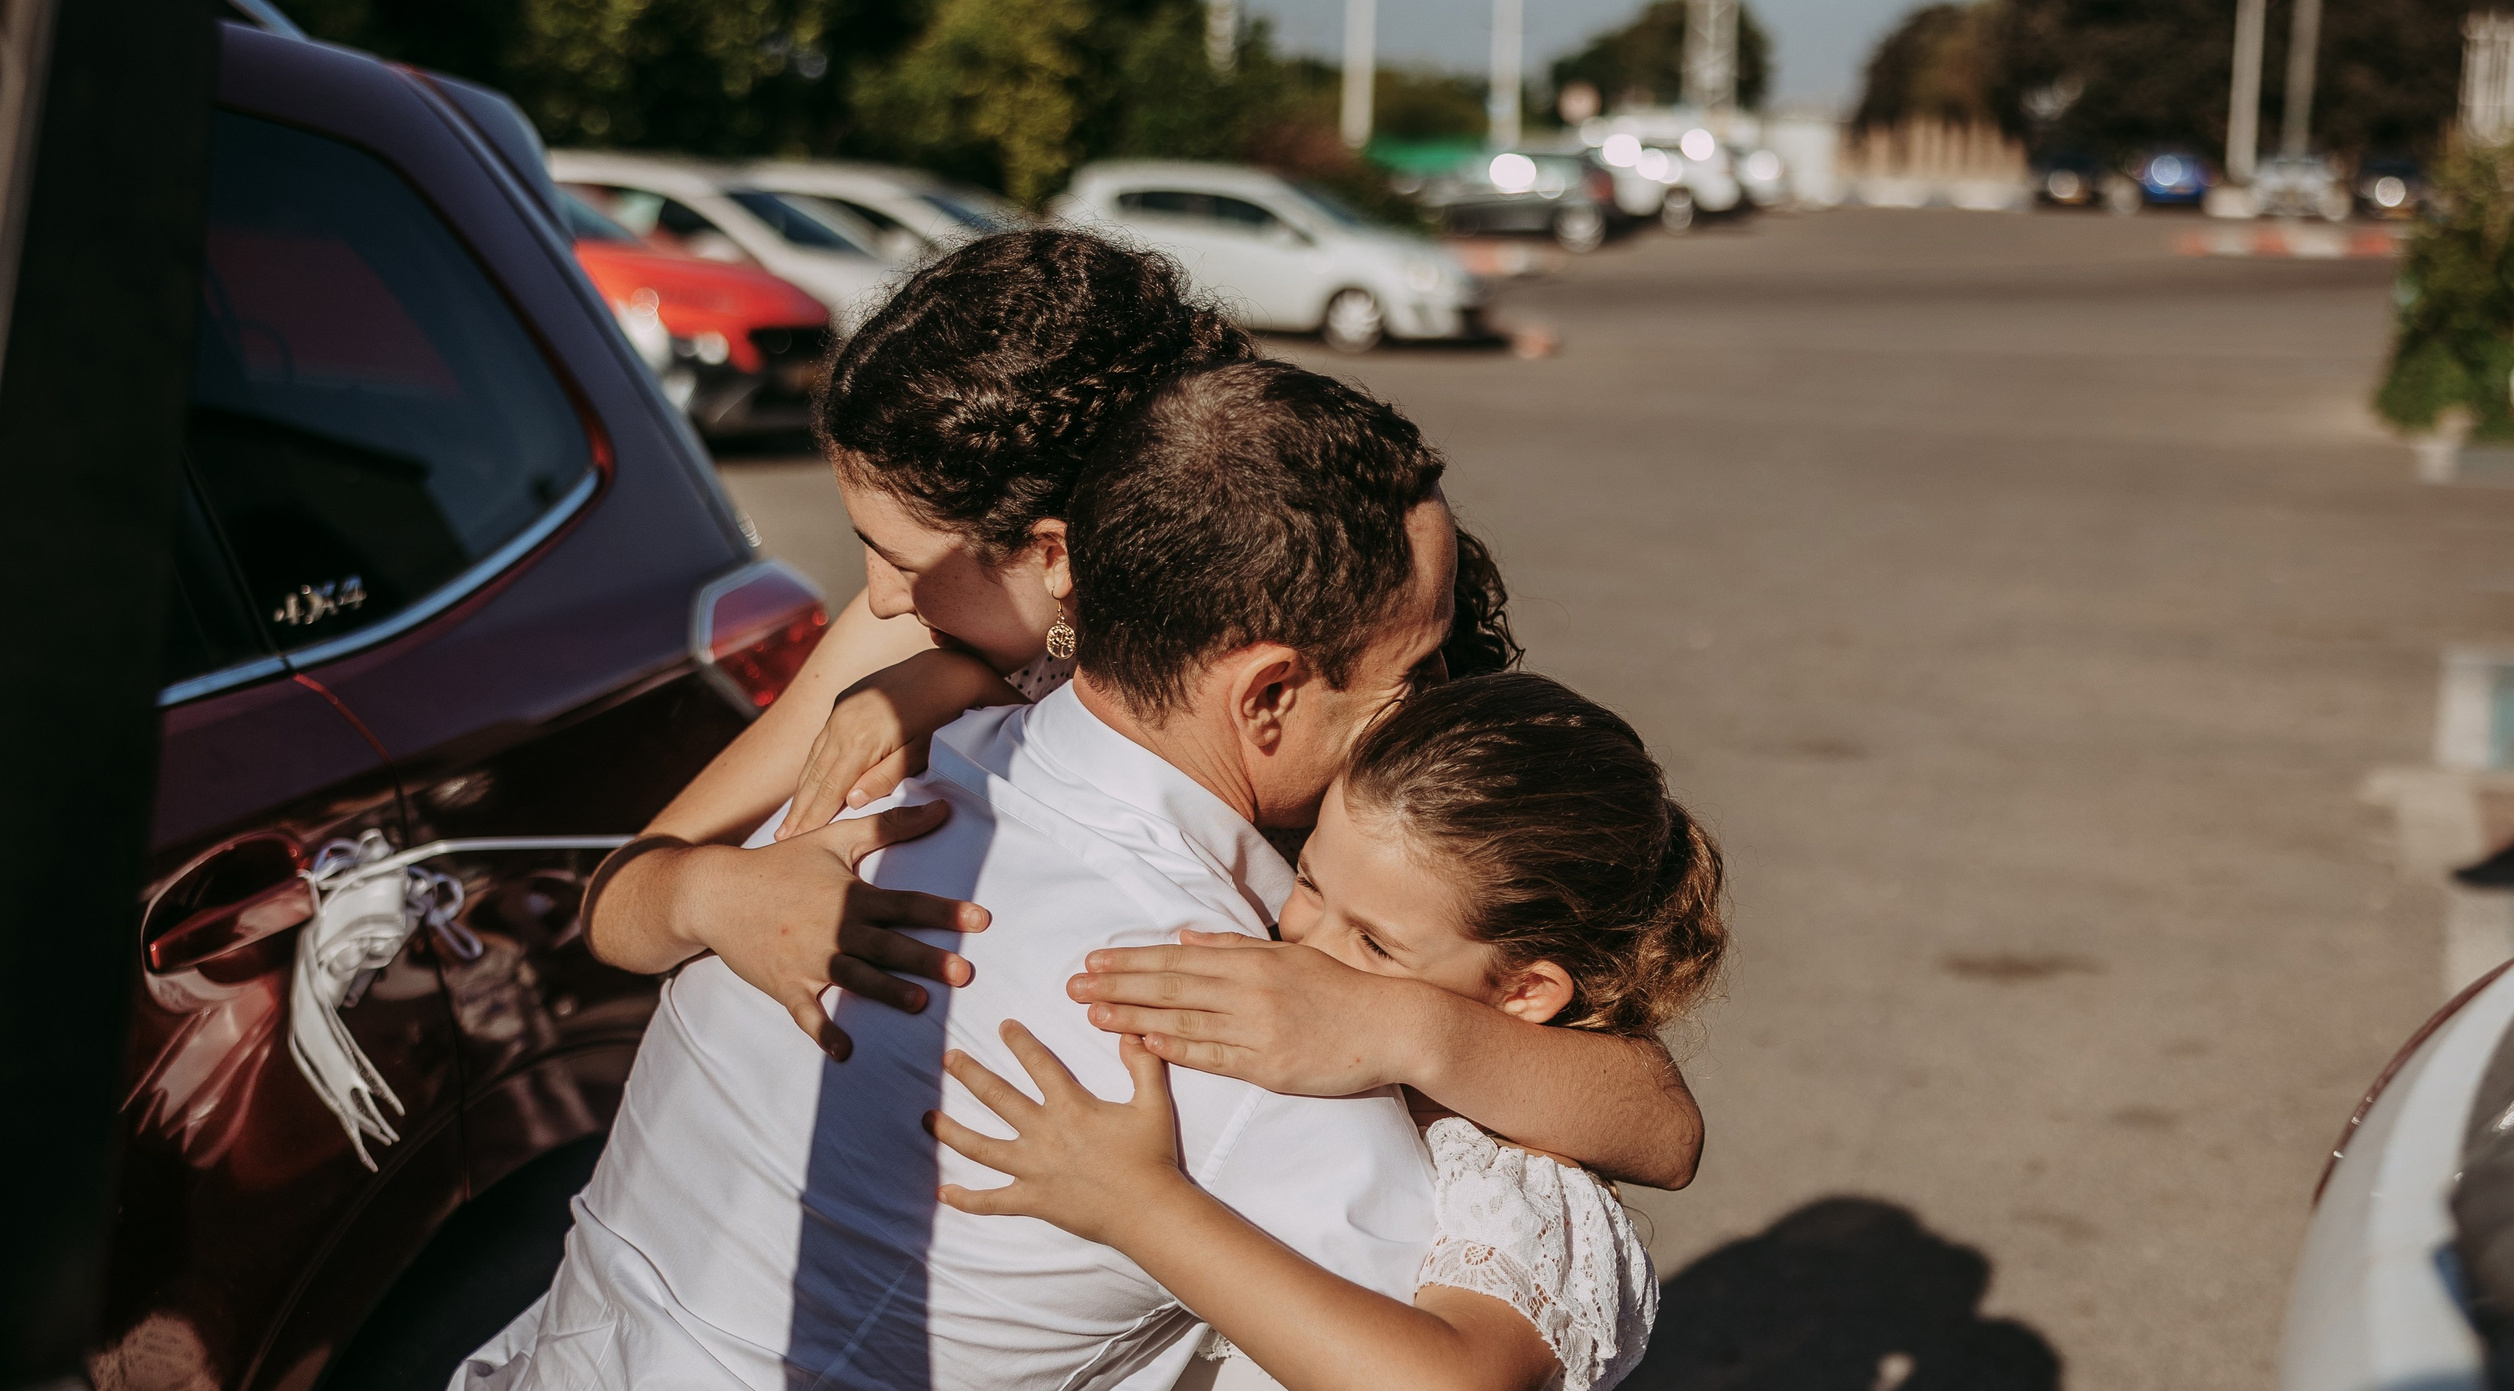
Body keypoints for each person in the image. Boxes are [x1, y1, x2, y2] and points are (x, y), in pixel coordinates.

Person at [379, 361, 1637, 1391]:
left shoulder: (839, 803)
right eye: (1411, 673)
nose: (1432, 710)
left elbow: (635, 898)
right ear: (1265, 694)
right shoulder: (1231, 1026)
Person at [582, 228, 1704, 1193]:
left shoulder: (1341, 695)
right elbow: (615, 901)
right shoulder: (913, 636)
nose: (876, 594)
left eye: (898, 554)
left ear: (1060, 558)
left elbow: (1652, 1116)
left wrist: (1400, 1025)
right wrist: (715, 892)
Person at [926, 671, 1726, 1391]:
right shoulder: (1284, 925)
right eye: (1308, 878)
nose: (1305, 944)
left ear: (1524, 992)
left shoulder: (1513, 1168)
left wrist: (1138, 1205)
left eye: (1376, 944)